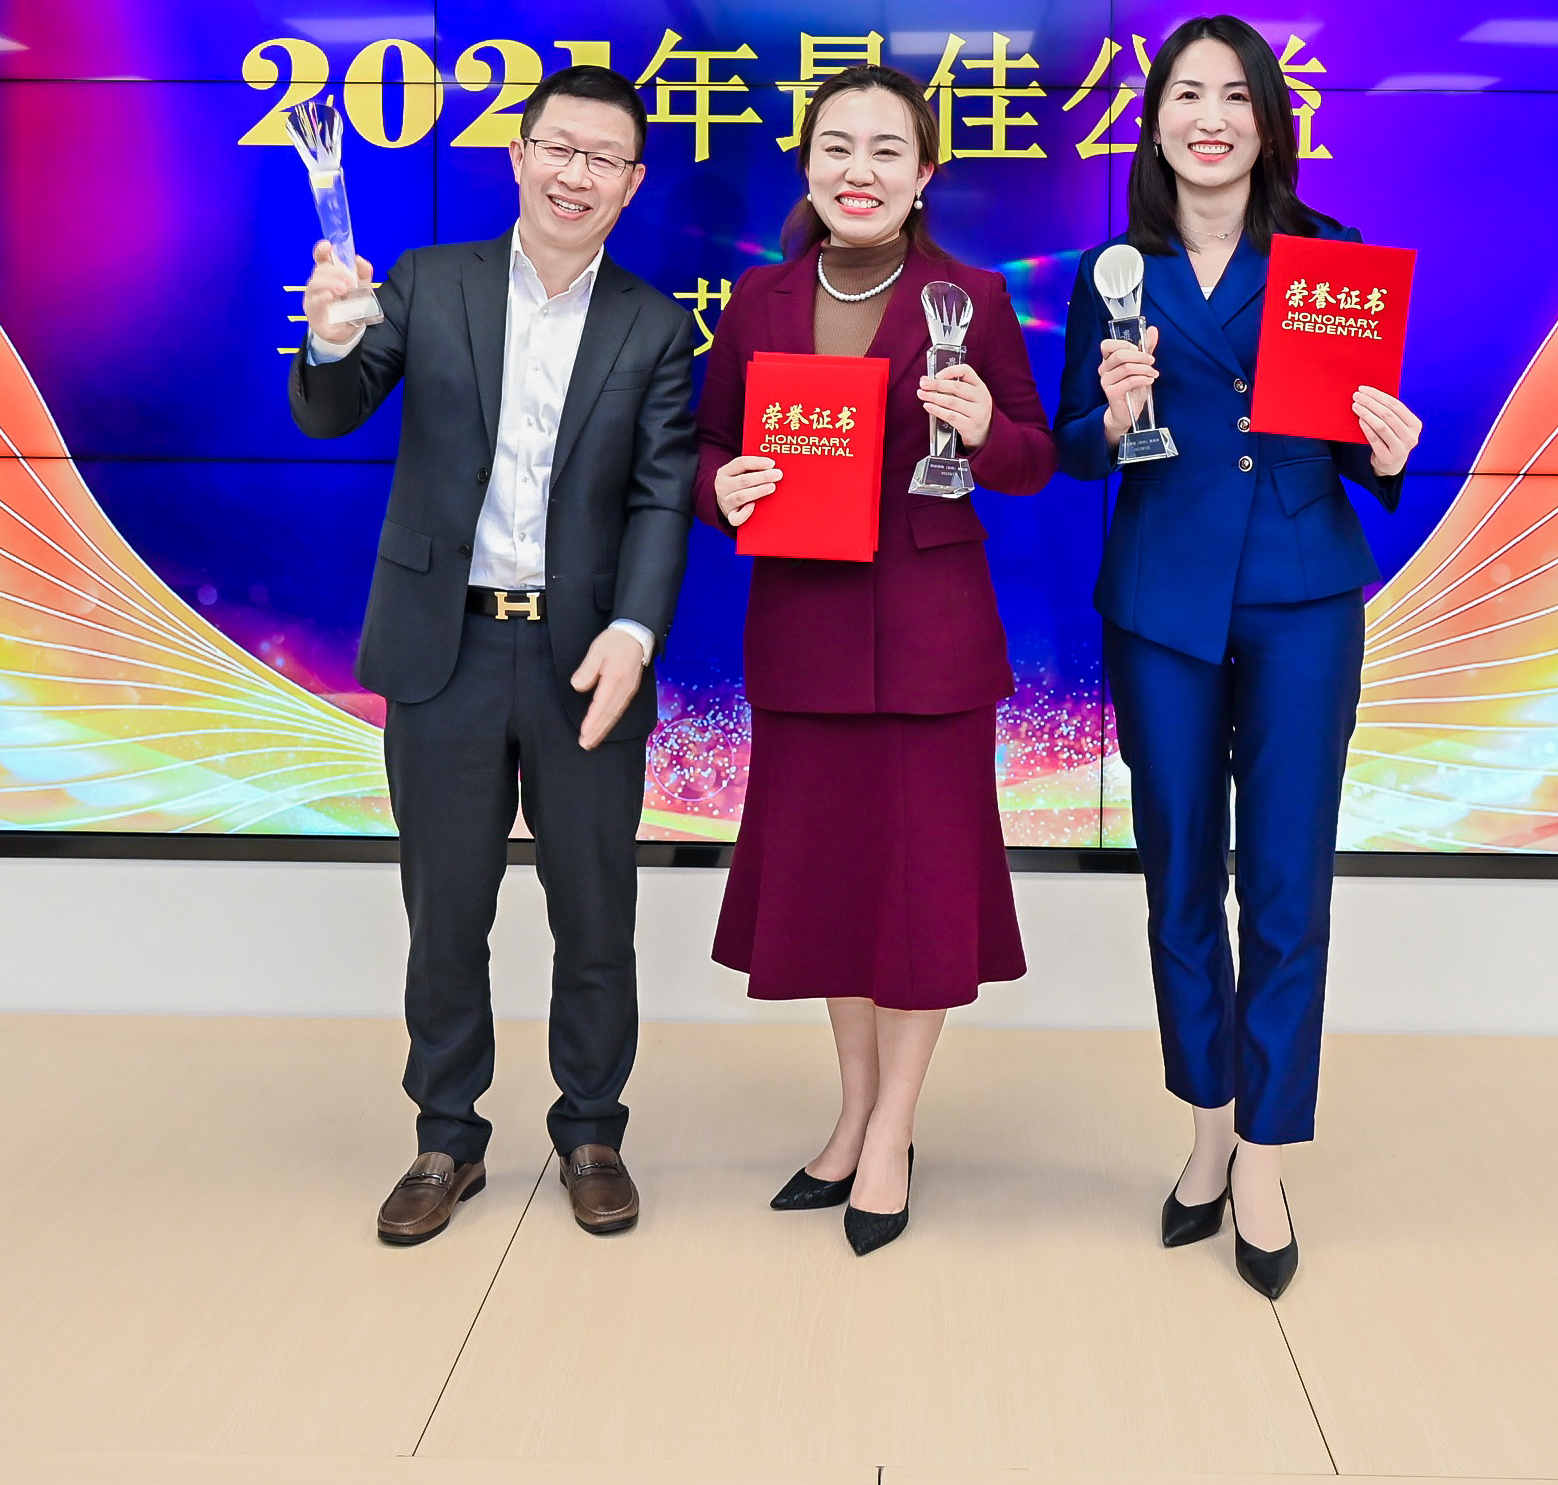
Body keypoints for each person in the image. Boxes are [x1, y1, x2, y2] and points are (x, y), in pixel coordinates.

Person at [292, 62, 696, 1246]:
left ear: (631, 183)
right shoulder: (427, 282)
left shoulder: (655, 325)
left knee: (595, 911)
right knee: (445, 910)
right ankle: (445, 1135)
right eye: (557, 149)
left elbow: (661, 496)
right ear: (517, 157)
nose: (575, 174)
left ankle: (591, 1130)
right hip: (444, 648)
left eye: (602, 158)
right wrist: (328, 336)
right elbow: (331, 407)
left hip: (585, 661)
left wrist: (634, 632)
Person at [1054, 15, 1423, 1302]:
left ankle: (1263, 1154)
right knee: (1176, 881)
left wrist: (1387, 447)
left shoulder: (1329, 258)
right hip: (1160, 603)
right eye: (1183, 94)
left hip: (1300, 597)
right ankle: (1206, 1122)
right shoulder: (1115, 269)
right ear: (1152, 120)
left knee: (1283, 888)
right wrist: (1109, 415)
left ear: (1268, 120)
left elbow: (1357, 441)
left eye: (1232, 96)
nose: (1207, 117)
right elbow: (1073, 447)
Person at [695, 64, 1054, 1256]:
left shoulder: (972, 297)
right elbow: (703, 443)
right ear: (806, 167)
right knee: (837, 890)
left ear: (923, 172)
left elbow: (1031, 456)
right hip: (802, 633)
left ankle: (893, 1128)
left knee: (920, 897)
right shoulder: (757, 297)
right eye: (837, 147)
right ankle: (852, 1112)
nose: (860, 170)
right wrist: (721, 487)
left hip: (928, 640)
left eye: (886, 149)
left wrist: (980, 428)